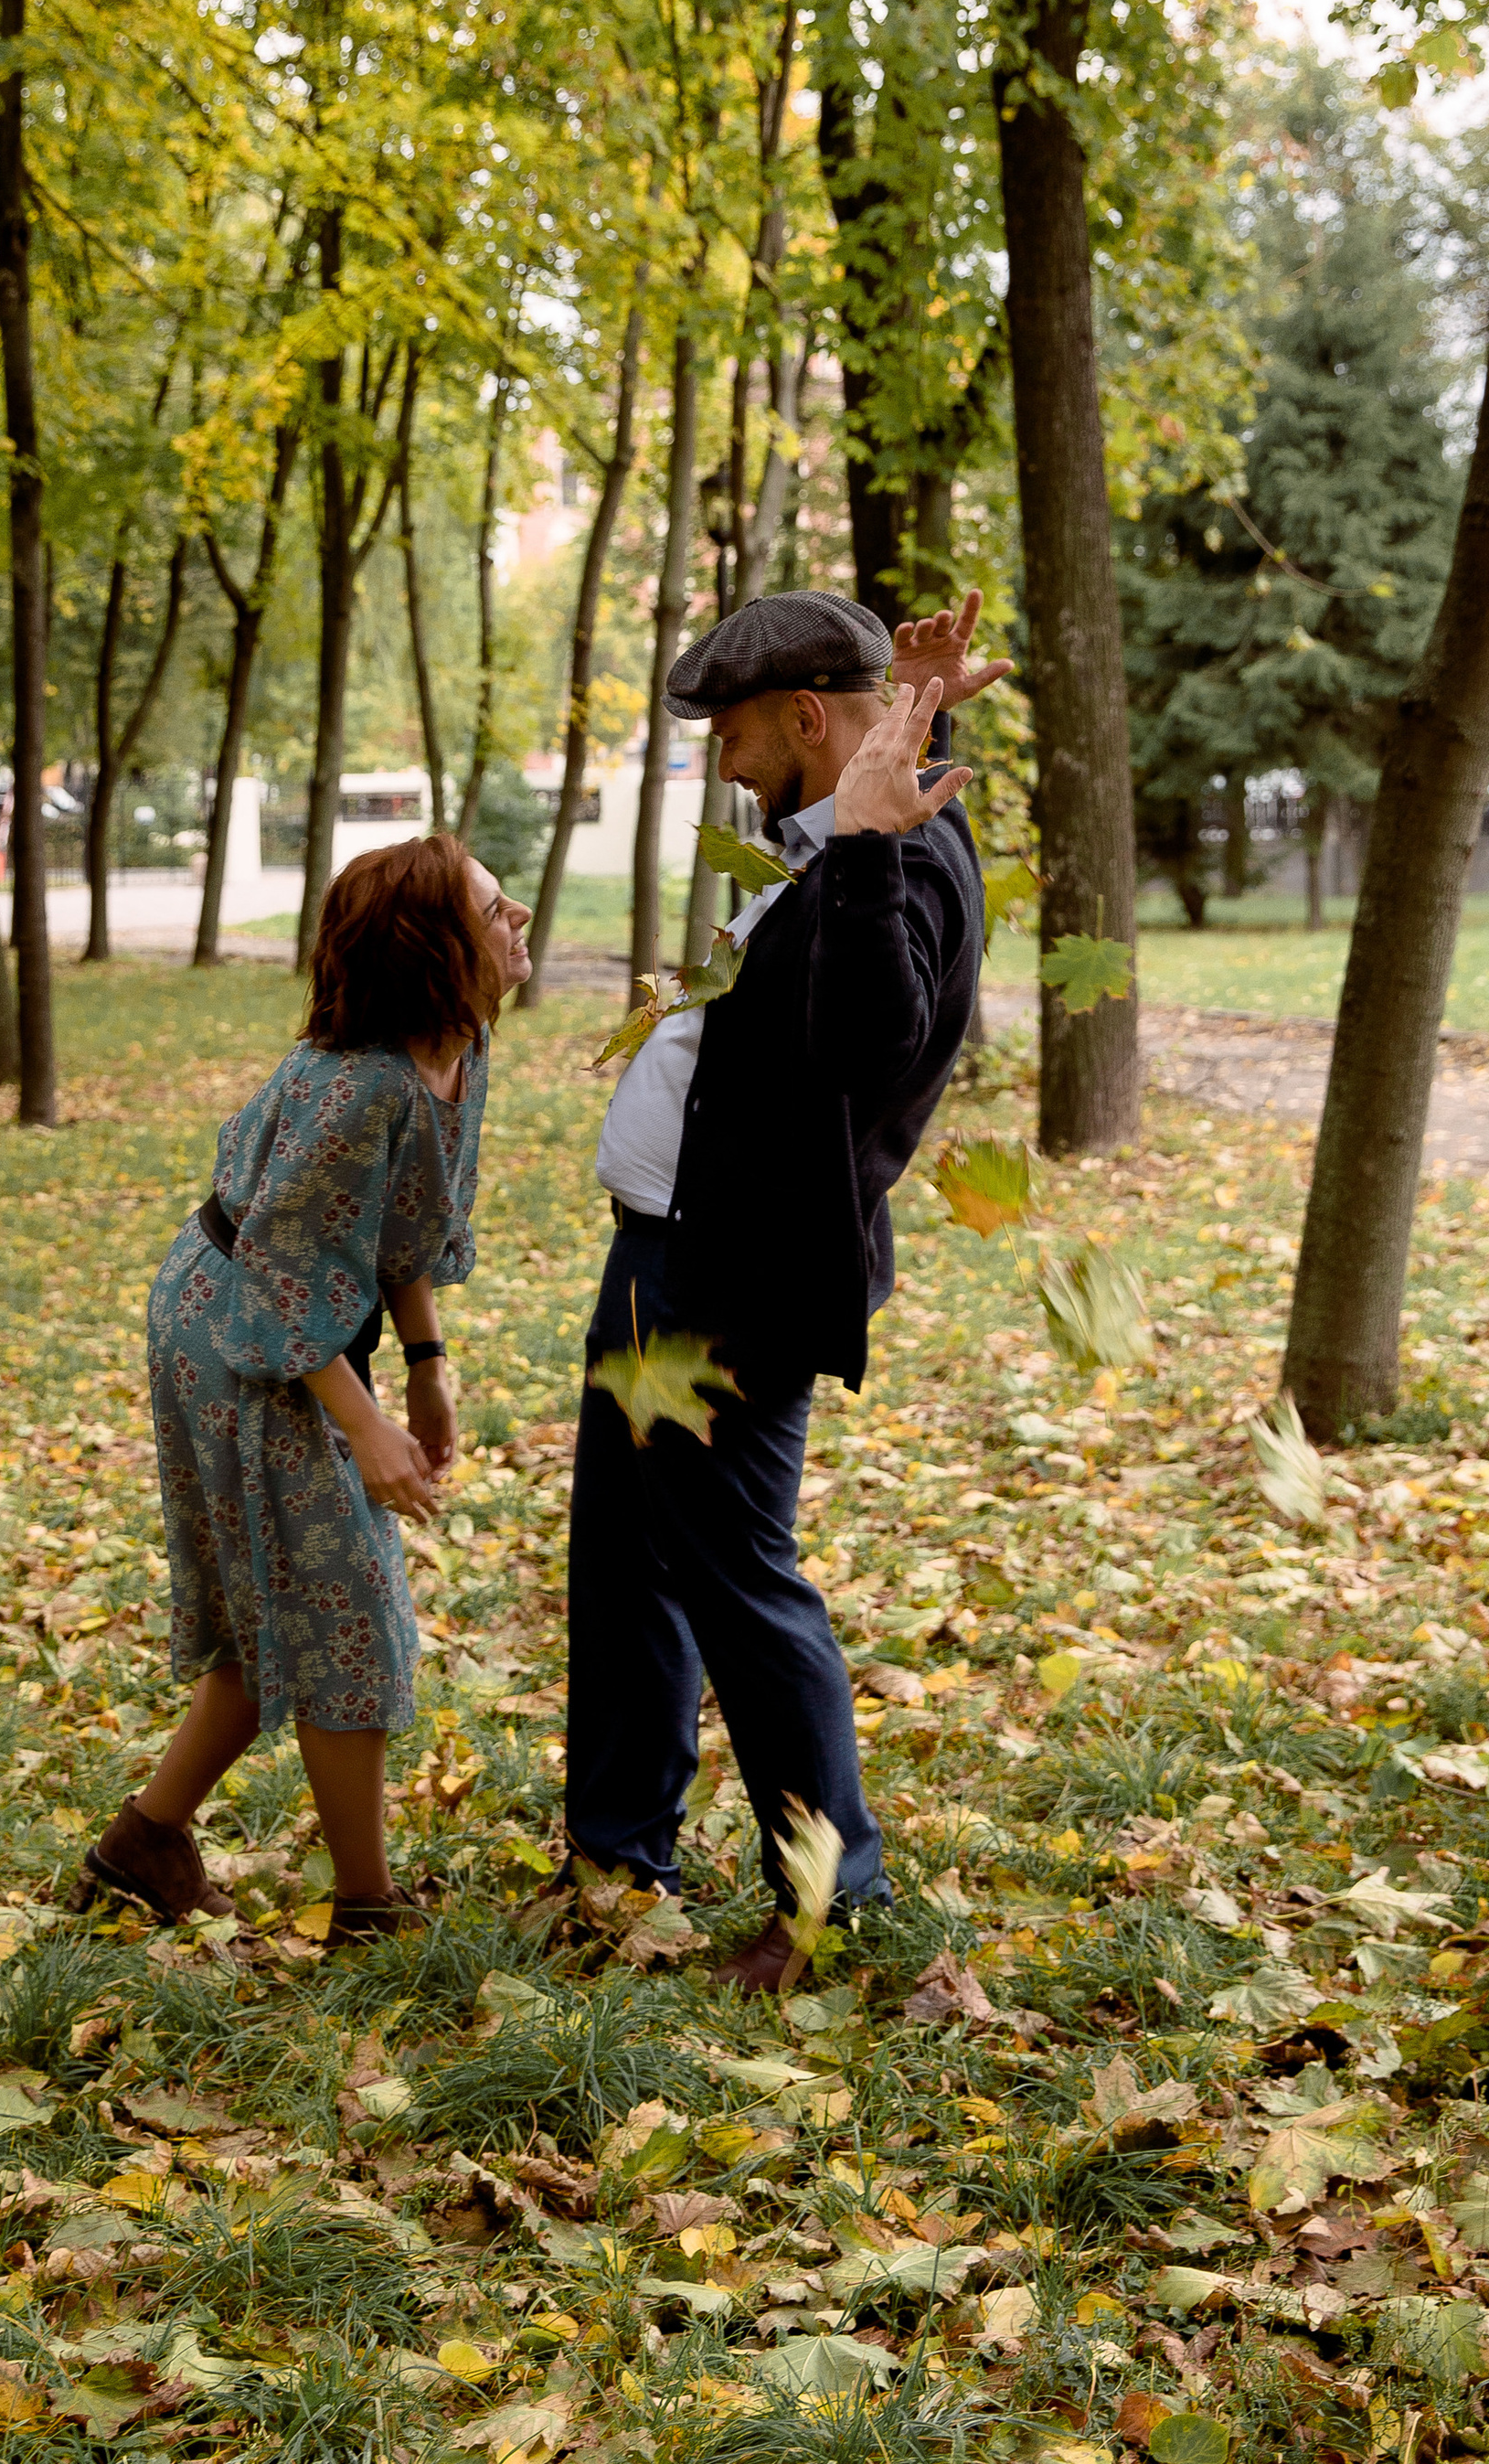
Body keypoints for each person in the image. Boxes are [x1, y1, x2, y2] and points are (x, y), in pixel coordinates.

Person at [564, 586, 1010, 1994]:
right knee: (629, 1563)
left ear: (810, 719)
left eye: (737, 729)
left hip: (732, 1286)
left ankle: (830, 1898)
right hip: (669, 1264)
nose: (722, 758)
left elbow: (873, 1043)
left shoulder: (902, 854)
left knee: (742, 1587)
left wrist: (875, 837)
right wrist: (904, 726)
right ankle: (618, 1855)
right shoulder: (828, 832)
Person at [78, 835, 530, 1945]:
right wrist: (363, 1419)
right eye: (487, 904)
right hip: (234, 1332)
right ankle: (368, 1909)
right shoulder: (358, 1088)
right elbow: (279, 1269)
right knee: (344, 1607)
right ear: (431, 945)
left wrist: (426, 1370)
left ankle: (143, 1845)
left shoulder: (455, 1047)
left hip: (298, 1316)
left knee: (278, 1595)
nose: (517, 910)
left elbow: (397, 1230)